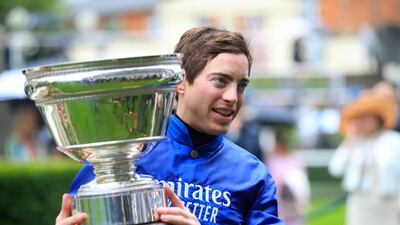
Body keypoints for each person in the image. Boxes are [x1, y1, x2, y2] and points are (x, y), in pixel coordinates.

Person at [56, 27, 284, 225]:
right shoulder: (122, 155)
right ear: (181, 82)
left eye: (241, 85)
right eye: (221, 81)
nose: (233, 97)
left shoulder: (253, 176)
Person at [328, 90, 400, 225]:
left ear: (377, 119)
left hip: (388, 203)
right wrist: (349, 141)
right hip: (359, 202)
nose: (361, 122)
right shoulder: (354, 143)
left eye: (366, 118)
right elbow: (335, 169)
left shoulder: (393, 141)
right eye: (359, 118)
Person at [267, 128, 310, 225]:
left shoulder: (294, 158)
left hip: (293, 202)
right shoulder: (270, 158)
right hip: (278, 200)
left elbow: (301, 181)